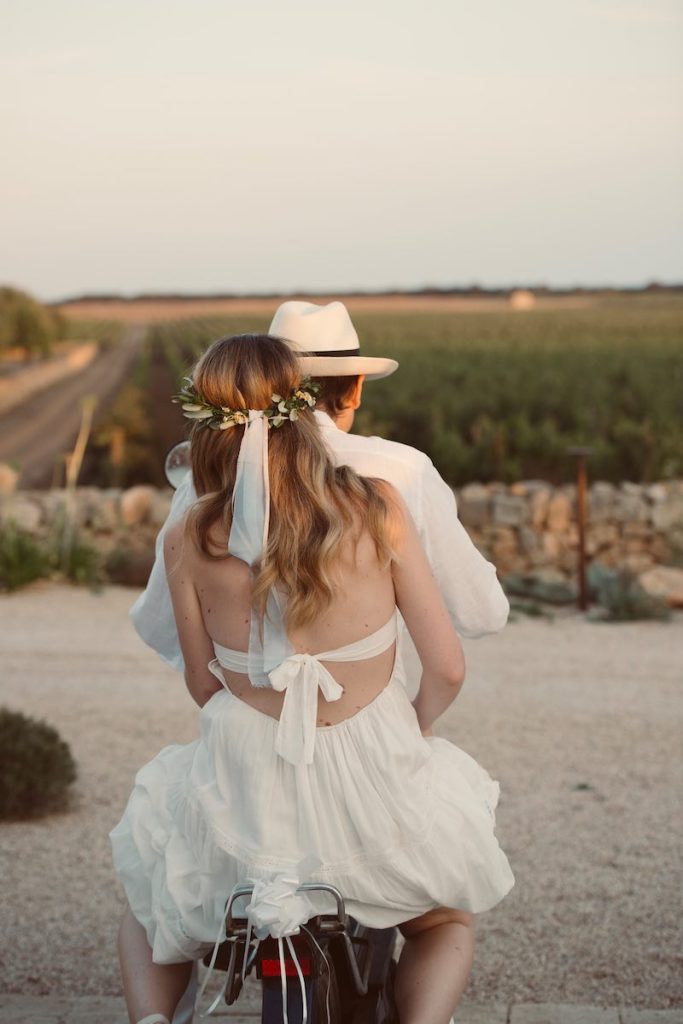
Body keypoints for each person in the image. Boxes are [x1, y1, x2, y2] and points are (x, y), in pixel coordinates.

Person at [110, 332, 514, 1024]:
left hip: (246, 769)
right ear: (304, 411)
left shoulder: (188, 535)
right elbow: (447, 666)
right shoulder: (378, 506)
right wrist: (401, 728)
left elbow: (204, 686)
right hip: (372, 756)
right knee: (443, 918)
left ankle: (151, 1022)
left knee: (153, 903)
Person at [130, 300, 510, 690]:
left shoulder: (207, 479)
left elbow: (158, 624)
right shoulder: (405, 472)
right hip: (371, 716)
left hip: (247, 720)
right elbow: (483, 612)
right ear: (356, 389)